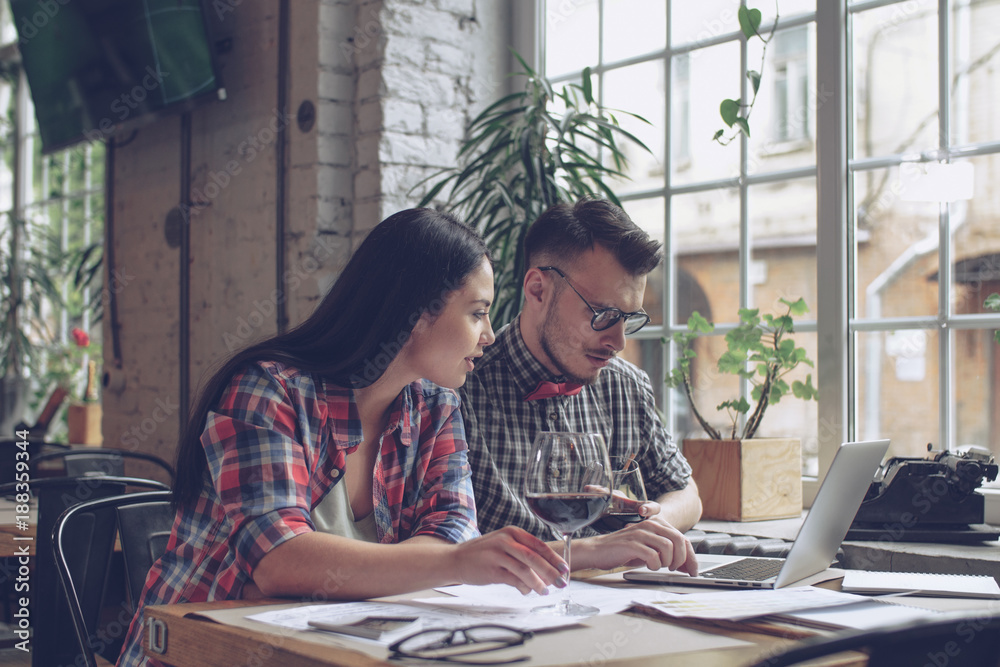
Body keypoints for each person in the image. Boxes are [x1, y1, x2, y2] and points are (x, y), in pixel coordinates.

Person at [117, 209, 568, 667]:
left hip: (327, 652)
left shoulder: (435, 406)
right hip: (198, 655)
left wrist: (322, 572)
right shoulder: (270, 391)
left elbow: (451, 531)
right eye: (477, 313)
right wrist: (447, 564)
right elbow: (278, 560)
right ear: (416, 312)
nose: (489, 335)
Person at [459, 198, 702, 577]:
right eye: (604, 315)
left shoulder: (626, 386)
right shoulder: (460, 388)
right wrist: (596, 549)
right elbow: (456, 550)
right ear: (538, 290)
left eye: (628, 319)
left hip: (615, 608)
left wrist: (654, 519)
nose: (619, 341)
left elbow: (687, 493)